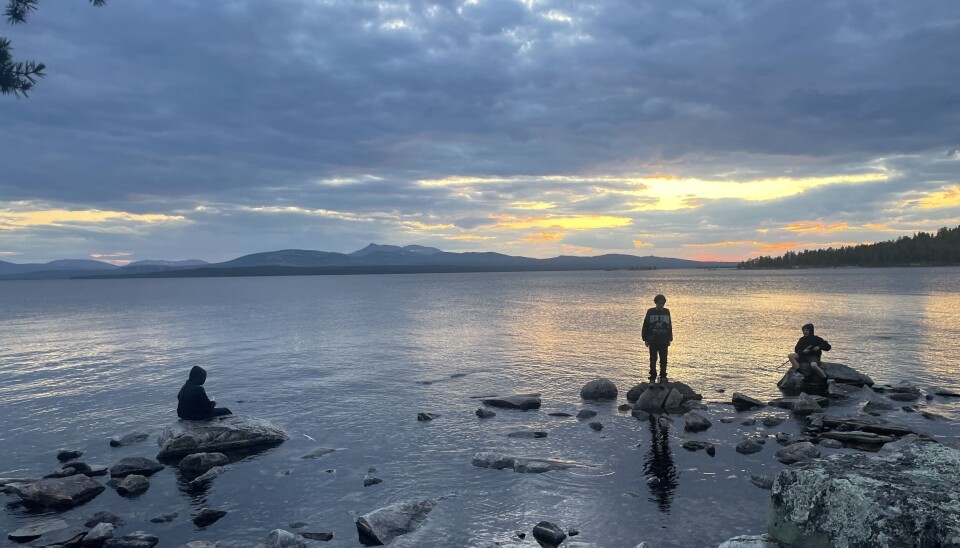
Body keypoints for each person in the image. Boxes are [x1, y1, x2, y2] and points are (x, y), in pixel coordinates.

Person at [641, 294, 673, 382]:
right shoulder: (650, 312)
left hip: (663, 340)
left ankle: (663, 376)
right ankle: (652, 377)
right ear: (656, 303)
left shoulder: (667, 312)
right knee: (653, 359)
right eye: (659, 303)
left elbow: (669, 325)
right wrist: (645, 339)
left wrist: (670, 338)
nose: (660, 305)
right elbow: (646, 325)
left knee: (664, 359)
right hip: (653, 340)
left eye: (662, 303)